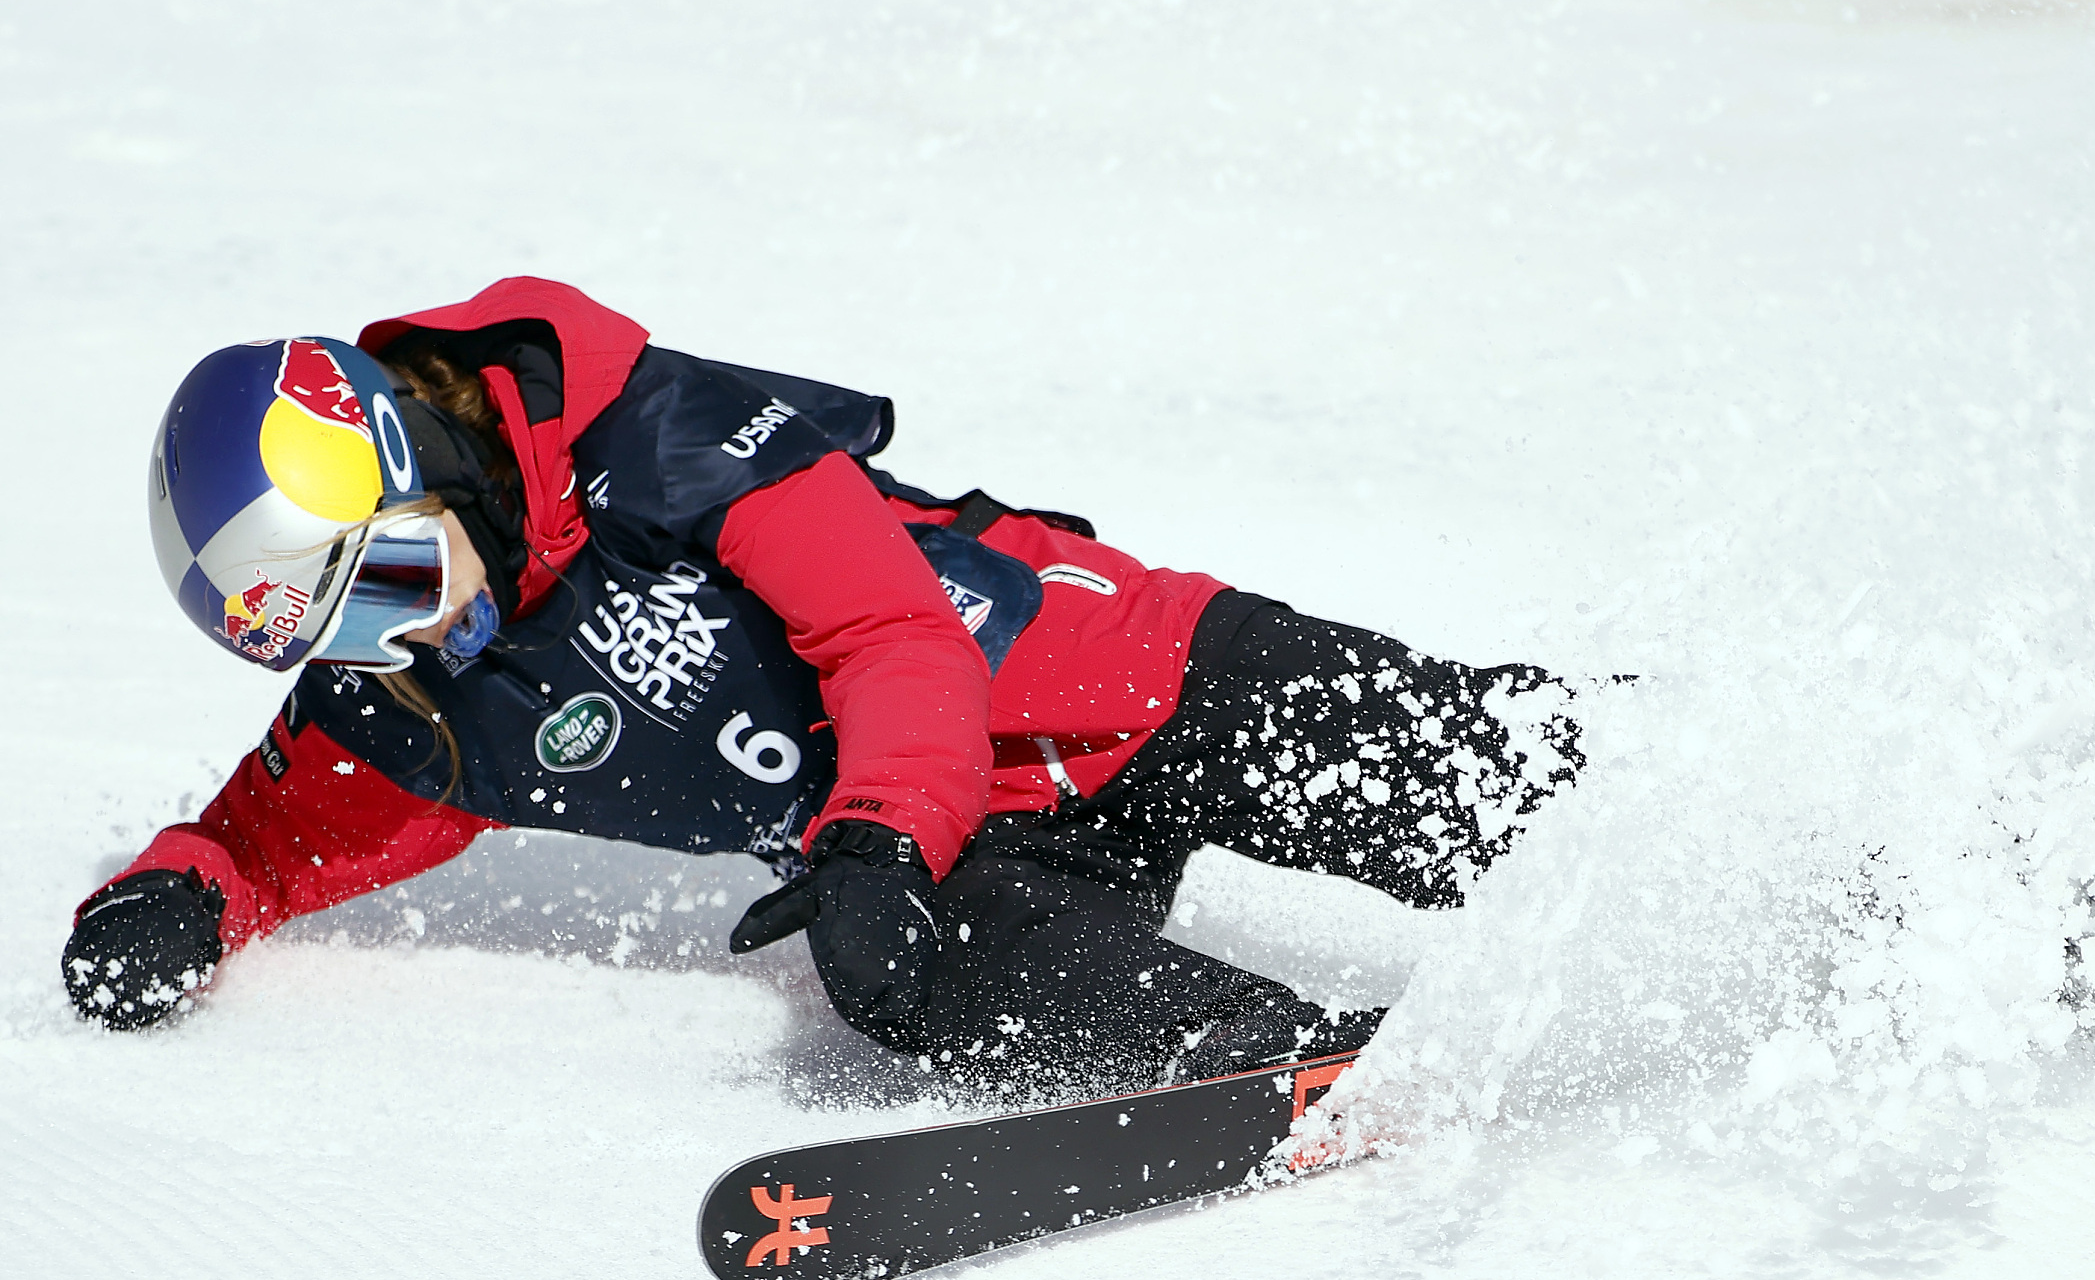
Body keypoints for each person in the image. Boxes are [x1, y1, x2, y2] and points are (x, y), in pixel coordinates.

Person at [68, 277, 1583, 1096]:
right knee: (909, 973)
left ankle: (1782, 828)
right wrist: (172, 899)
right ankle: (1304, 1063)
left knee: (1507, 789)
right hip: (976, 851)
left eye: (390, 583)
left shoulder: (643, 434)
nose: (392, 646)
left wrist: (870, 840)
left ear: (433, 465)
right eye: (332, 638)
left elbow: (893, 637)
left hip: (1138, 679)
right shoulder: (414, 698)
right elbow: (261, 840)